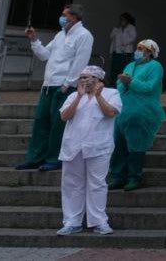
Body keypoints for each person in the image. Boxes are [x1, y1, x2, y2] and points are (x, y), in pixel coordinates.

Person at [17, 4, 94, 172]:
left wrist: (67, 85)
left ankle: (54, 159)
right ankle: (35, 158)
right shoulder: (60, 35)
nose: (62, 18)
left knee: (58, 125)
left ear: (74, 17)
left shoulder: (84, 35)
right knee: (41, 122)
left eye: (65, 15)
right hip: (48, 85)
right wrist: (34, 40)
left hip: (63, 86)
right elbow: (44, 55)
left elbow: (80, 62)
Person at [56, 65, 121, 236]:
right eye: (82, 78)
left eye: (88, 77)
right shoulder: (73, 95)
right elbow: (65, 116)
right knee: (71, 184)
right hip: (73, 146)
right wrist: (79, 96)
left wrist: (98, 96)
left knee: (97, 183)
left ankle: (99, 221)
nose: (84, 81)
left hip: (98, 146)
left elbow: (111, 112)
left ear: (98, 79)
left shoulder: (111, 93)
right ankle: (72, 222)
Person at [107, 39, 165, 192]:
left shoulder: (155, 66)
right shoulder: (130, 65)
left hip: (142, 111)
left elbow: (149, 87)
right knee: (119, 143)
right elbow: (119, 85)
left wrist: (131, 82)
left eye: (141, 49)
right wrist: (125, 83)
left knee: (136, 145)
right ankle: (117, 176)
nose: (137, 51)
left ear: (150, 52)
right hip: (123, 110)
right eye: (137, 48)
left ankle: (134, 177)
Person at [107, 13, 136, 87]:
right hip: (116, 51)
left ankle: (122, 85)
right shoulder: (118, 28)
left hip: (125, 52)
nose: (121, 21)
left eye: (123, 19)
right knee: (114, 70)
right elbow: (111, 37)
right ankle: (113, 85)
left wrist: (124, 43)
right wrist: (116, 28)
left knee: (123, 69)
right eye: (120, 19)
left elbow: (133, 38)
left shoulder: (131, 27)